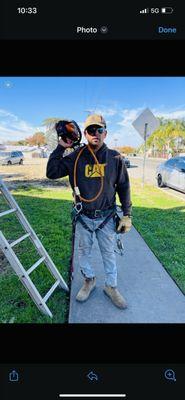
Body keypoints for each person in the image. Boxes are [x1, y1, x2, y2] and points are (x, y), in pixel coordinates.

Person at [46, 114, 132, 309]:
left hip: (106, 218)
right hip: (84, 217)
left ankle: (111, 287)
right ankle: (89, 280)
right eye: (91, 130)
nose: (96, 133)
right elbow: (51, 173)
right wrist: (62, 147)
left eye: (99, 130)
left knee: (109, 254)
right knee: (83, 253)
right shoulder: (75, 157)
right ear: (84, 134)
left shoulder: (115, 158)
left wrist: (127, 214)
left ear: (106, 133)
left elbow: (124, 186)